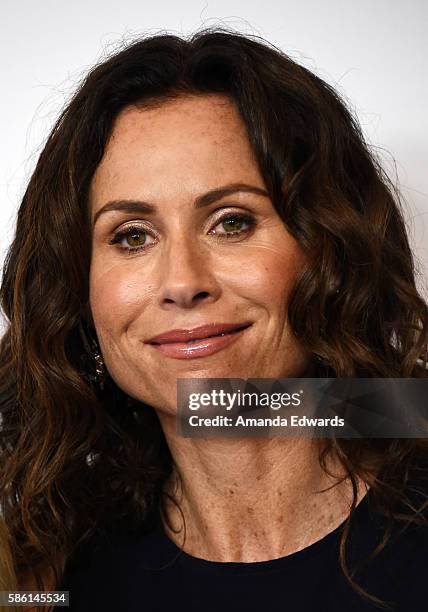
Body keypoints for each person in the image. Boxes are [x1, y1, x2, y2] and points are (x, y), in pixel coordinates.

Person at [0, 28, 427, 612]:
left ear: (329, 246)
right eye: (132, 236)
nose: (182, 282)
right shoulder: (49, 578)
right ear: (79, 292)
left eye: (232, 222)